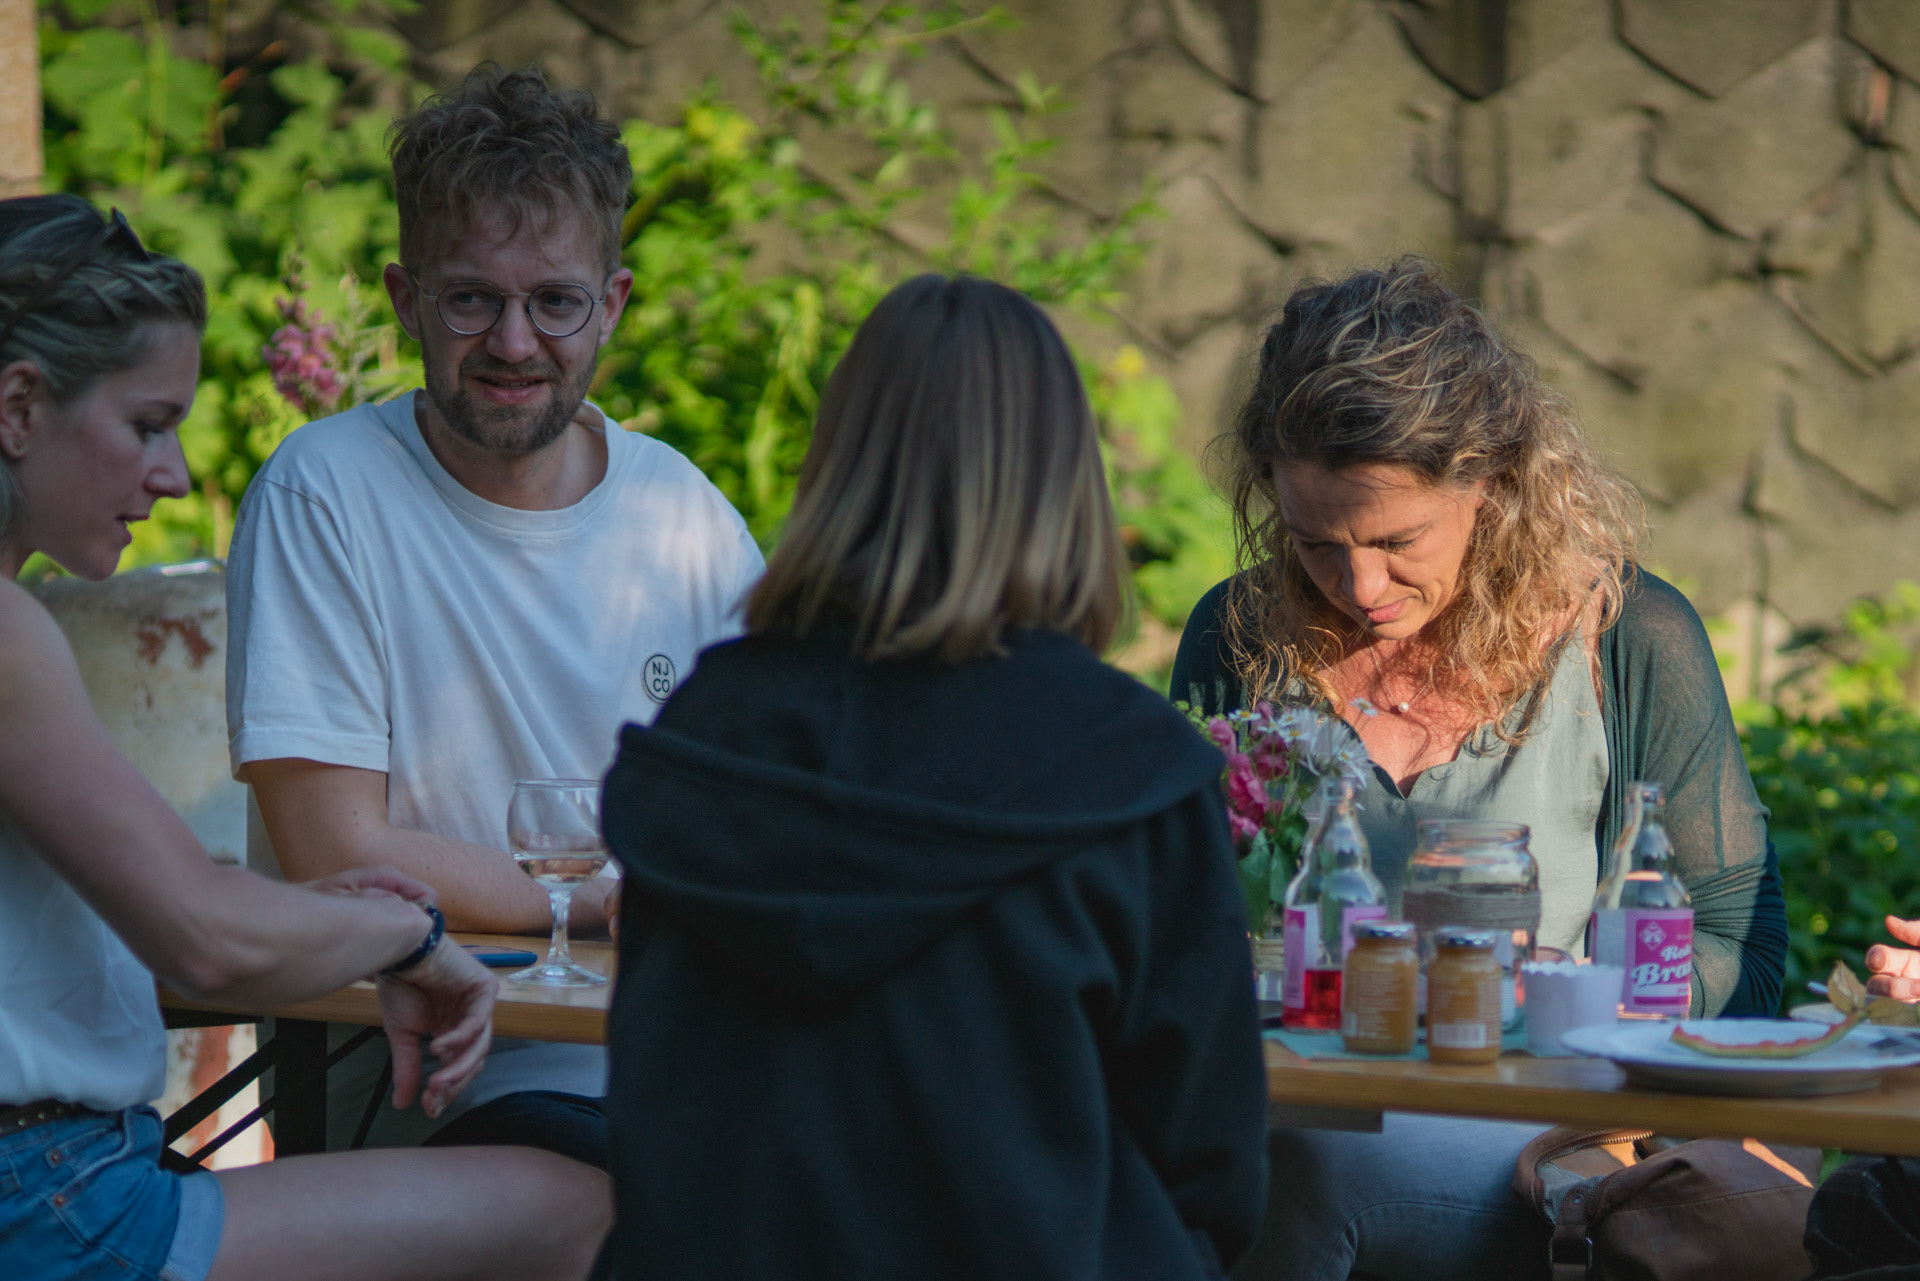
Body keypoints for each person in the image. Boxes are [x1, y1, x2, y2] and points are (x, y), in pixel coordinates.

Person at [594, 274, 1270, 1279]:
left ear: (838, 464)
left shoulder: (706, 731)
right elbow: (1212, 1170)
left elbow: (654, 1087)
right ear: (1064, 482)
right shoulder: (1126, 770)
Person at [0, 194, 610, 1281]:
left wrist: (314, 918)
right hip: (55, 1210)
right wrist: (408, 938)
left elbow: (151, 921)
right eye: (147, 424)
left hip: (57, 1191)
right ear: (18, 407)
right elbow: (203, 939)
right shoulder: (8, 637)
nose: (173, 473)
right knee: (581, 1206)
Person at [1170, 259, 1788, 1281]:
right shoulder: (1238, 637)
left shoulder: (1626, 637)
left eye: (1396, 539)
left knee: (1295, 1174)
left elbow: (1741, 944)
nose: (1359, 584)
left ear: (1490, 484)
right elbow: (1178, 916)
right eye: (1314, 543)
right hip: (1301, 1101)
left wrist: (1569, 1000)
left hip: (1548, 1132)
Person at [225, 64, 764, 1163]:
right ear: (405, 298)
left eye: (554, 302)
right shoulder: (324, 491)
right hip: (433, 1083)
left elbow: (770, 810)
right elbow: (334, 850)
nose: (515, 343)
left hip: (680, 1061)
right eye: (472, 299)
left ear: (612, 303)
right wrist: (614, 888)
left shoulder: (684, 515)